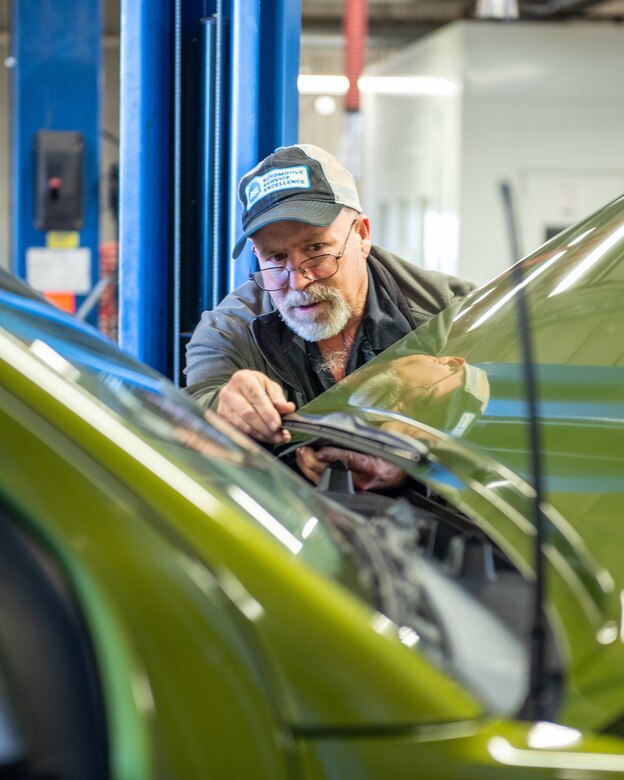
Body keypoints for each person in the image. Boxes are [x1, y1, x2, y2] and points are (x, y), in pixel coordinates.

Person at [185, 144, 475, 488]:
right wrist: (224, 406)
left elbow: (509, 414)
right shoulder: (230, 329)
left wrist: (425, 440)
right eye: (276, 257)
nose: (299, 280)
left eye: (316, 248)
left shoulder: (450, 309)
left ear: (362, 235)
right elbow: (194, 411)